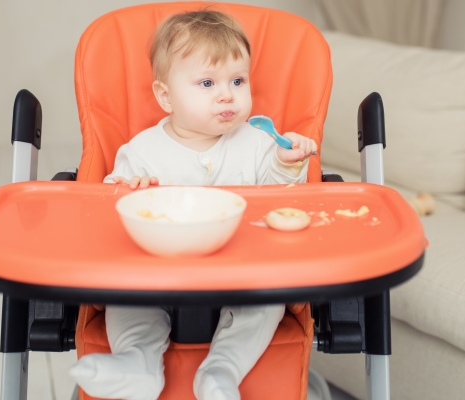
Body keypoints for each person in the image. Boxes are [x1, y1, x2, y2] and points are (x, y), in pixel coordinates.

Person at [68, 9, 317, 400]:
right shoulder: (142, 151)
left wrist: (289, 164)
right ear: (165, 96)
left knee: (269, 304)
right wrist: (128, 188)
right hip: (157, 279)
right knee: (126, 301)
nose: (227, 94)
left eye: (237, 80)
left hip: (244, 279)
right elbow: (110, 202)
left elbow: (282, 199)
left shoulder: (257, 143)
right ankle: (138, 365)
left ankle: (221, 372)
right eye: (206, 82)